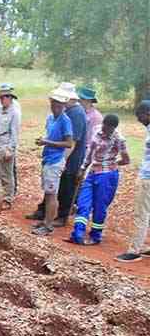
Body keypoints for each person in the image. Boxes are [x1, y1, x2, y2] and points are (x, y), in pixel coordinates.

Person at [27, 82, 88, 226]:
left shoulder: (77, 114)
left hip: (70, 157)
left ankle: (61, 216)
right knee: (52, 187)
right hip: (56, 156)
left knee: (66, 186)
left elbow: (72, 142)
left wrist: (63, 160)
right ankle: (44, 213)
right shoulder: (63, 112)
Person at [68, 114, 129, 245]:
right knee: (83, 202)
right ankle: (77, 234)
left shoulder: (119, 139)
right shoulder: (97, 131)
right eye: (104, 126)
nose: (106, 129)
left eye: (109, 128)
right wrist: (83, 168)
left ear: (114, 128)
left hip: (107, 176)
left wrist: (112, 163)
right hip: (92, 172)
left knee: (100, 206)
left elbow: (126, 159)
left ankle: (95, 236)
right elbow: (90, 152)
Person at [32, 88, 75, 236]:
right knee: (48, 192)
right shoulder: (50, 118)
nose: (56, 106)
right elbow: (50, 136)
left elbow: (69, 143)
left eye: (59, 104)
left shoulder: (65, 121)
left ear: (63, 105)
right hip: (48, 158)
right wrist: (45, 141)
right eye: (54, 103)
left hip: (55, 160)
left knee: (51, 193)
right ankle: (46, 221)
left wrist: (47, 142)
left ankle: (49, 225)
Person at [116, 101, 150, 262]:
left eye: (140, 115)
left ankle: (134, 250)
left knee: (141, 214)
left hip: (147, 178)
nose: (138, 119)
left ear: (148, 113)